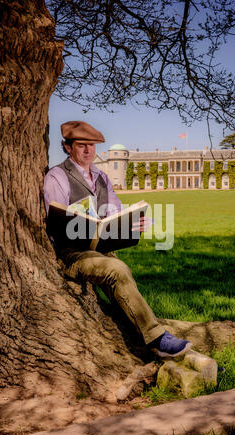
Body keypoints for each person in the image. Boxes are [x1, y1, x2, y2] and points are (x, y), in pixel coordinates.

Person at [44, 120, 192, 357]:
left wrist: (138, 223)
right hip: (71, 253)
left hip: (101, 249)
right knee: (117, 269)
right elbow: (56, 222)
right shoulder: (57, 176)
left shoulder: (102, 176)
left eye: (91, 145)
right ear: (67, 147)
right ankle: (156, 338)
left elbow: (115, 210)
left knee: (122, 280)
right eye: (81, 145)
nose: (88, 150)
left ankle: (149, 345)